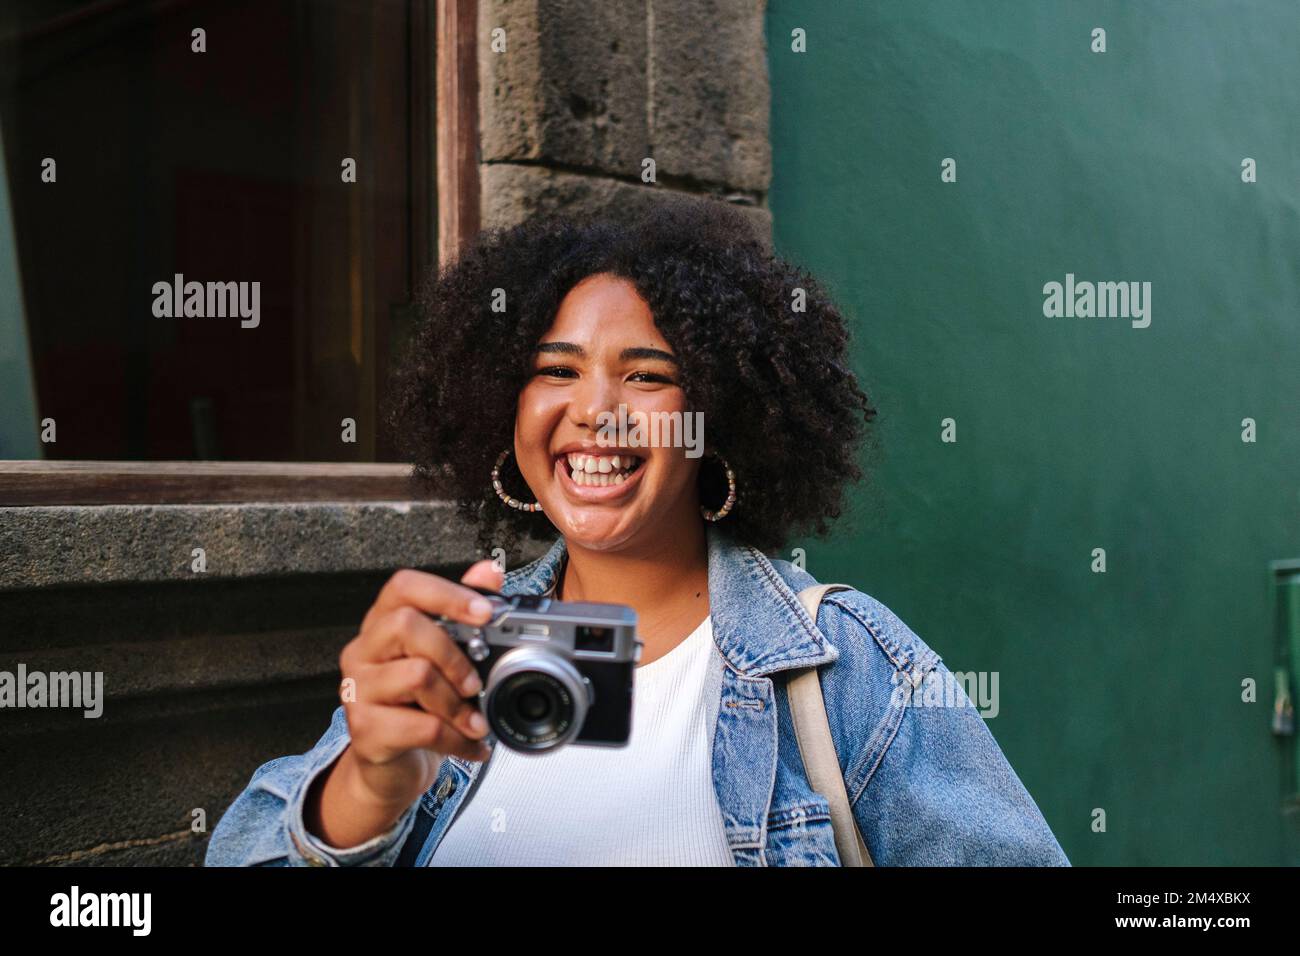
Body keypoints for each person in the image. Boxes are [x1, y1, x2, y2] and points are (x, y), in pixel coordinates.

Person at [205, 197, 1069, 866]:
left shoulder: (841, 665)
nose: (595, 412)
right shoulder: (454, 653)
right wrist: (368, 785)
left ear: (717, 418)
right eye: (556, 370)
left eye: (647, 376)